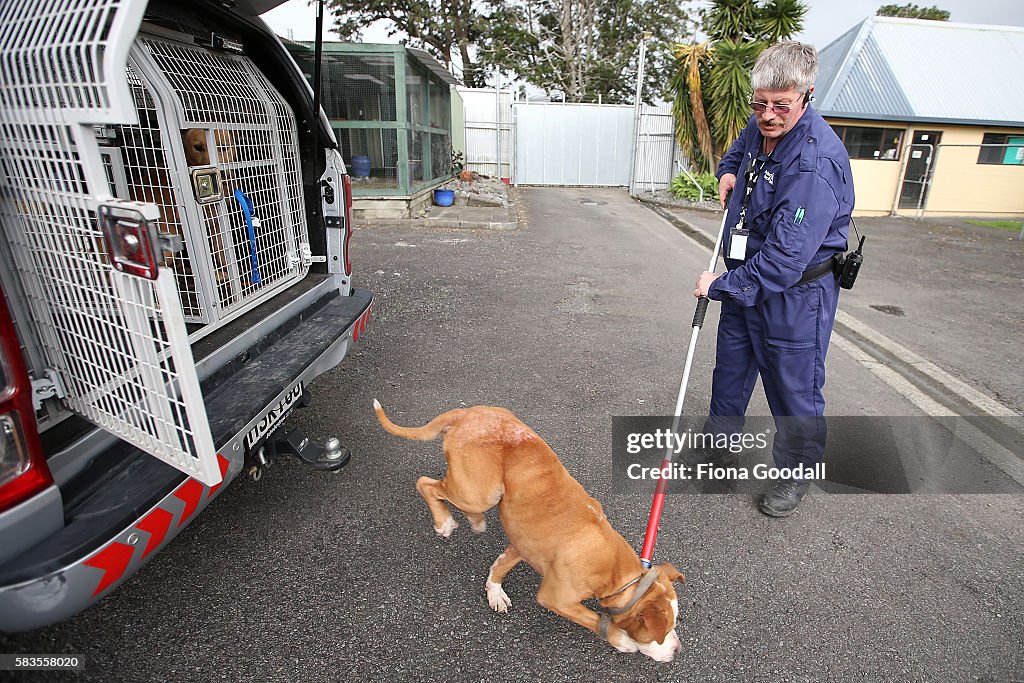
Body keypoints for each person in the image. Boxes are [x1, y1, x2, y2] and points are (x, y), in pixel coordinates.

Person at [693, 41, 854, 517]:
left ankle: (795, 474)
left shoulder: (814, 163)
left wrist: (718, 286)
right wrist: (727, 171)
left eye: (780, 106)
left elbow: (785, 260)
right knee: (731, 373)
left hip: (797, 295)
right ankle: (720, 450)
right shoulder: (761, 122)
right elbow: (741, 150)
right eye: (759, 103)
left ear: (806, 96)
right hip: (749, 277)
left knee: (793, 387)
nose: (767, 115)